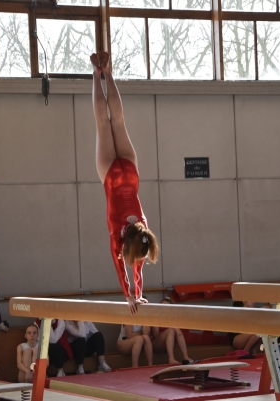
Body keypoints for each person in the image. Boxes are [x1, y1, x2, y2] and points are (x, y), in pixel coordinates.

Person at [90, 50, 159, 315]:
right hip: (110, 174)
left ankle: (109, 72)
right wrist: (130, 295)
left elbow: (138, 260)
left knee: (116, 120)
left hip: (130, 172)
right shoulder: (118, 239)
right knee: (102, 123)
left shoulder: (143, 230)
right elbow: (124, 269)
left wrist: (136, 294)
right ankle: (97, 73)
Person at [150, 297, 193, 364]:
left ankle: (186, 356)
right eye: (162, 307)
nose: (164, 309)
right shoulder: (156, 317)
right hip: (156, 345)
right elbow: (156, 335)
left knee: (176, 331)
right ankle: (171, 359)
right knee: (170, 330)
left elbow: (179, 334)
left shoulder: (172, 318)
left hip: (168, 344)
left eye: (166, 307)